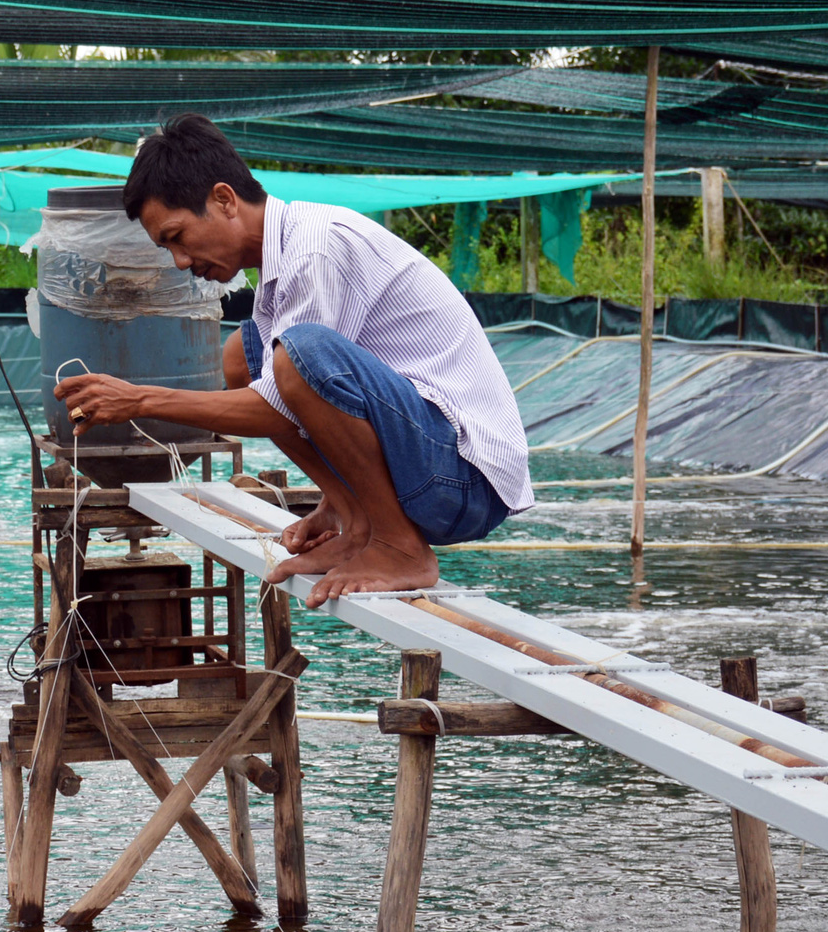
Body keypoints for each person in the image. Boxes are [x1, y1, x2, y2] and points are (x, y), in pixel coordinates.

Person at [53, 114, 533, 607]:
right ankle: (354, 518)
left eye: (177, 236)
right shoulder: (283, 261)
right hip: (430, 463)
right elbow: (315, 395)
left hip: (466, 481)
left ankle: (400, 547)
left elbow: (288, 395)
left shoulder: (315, 250)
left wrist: (139, 400)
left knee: (296, 355)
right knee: (245, 356)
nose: (179, 261)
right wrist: (333, 501)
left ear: (223, 199)